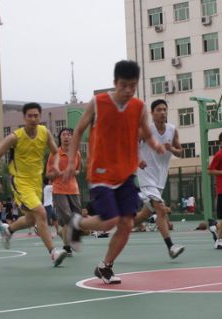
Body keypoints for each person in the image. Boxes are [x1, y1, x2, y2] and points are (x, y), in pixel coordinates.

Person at [63, 60, 165, 284]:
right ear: (114, 82)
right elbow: (78, 131)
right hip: (101, 173)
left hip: (126, 172)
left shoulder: (139, 107)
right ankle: (77, 224)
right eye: (123, 85)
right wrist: (71, 162)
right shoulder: (98, 103)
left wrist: (156, 145)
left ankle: (105, 266)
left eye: (133, 86)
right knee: (110, 221)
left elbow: (147, 134)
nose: (128, 90)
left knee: (127, 223)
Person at [0, 102, 67, 267]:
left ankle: (8, 230)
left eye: (36, 116)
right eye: (30, 116)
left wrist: (55, 165)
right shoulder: (15, 137)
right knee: (41, 213)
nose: (33, 119)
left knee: (32, 219)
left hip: (36, 182)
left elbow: (55, 152)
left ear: (40, 117)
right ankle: (53, 252)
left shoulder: (44, 133)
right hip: (20, 181)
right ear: (24, 118)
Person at [132, 99, 185, 259]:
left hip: (160, 178)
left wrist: (172, 149)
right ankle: (171, 247)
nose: (162, 112)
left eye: (164, 109)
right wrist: (138, 160)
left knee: (143, 215)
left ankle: (123, 228)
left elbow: (180, 152)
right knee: (161, 209)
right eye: (158, 110)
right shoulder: (146, 130)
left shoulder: (172, 130)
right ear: (152, 113)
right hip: (146, 175)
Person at [46, 128, 82, 256]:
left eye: (69, 135)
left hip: (74, 189)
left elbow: (78, 170)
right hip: (59, 189)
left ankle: (62, 234)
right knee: (67, 218)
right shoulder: (54, 154)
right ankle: (67, 247)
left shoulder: (76, 153)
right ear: (60, 138)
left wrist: (73, 172)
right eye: (63, 135)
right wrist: (59, 173)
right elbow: (48, 174)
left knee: (76, 217)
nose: (66, 137)